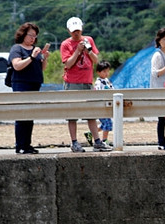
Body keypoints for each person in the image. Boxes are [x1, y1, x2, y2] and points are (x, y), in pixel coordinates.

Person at [61, 17, 111, 152]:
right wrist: (77, 50)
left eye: (78, 30)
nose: (76, 33)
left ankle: (97, 141)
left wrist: (88, 50)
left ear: (81, 29)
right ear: (69, 31)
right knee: (72, 115)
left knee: (91, 113)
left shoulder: (89, 40)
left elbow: (96, 60)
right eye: (73, 31)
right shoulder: (66, 44)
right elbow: (68, 64)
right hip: (72, 83)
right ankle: (74, 142)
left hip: (87, 81)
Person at [8, 22, 49, 154]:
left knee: (30, 115)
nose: (33, 38)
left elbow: (42, 68)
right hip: (21, 83)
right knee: (21, 115)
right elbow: (17, 65)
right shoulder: (17, 48)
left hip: (34, 83)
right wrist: (31, 56)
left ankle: (27, 145)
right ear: (23, 34)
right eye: (31, 35)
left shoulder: (35, 49)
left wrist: (44, 58)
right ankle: (20, 145)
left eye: (35, 36)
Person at [92, 61, 113, 146]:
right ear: (98, 72)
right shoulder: (99, 82)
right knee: (108, 123)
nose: (106, 73)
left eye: (107, 71)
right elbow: (97, 92)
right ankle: (104, 140)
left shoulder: (107, 81)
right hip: (101, 106)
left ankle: (91, 133)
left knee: (105, 123)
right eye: (104, 71)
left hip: (107, 105)